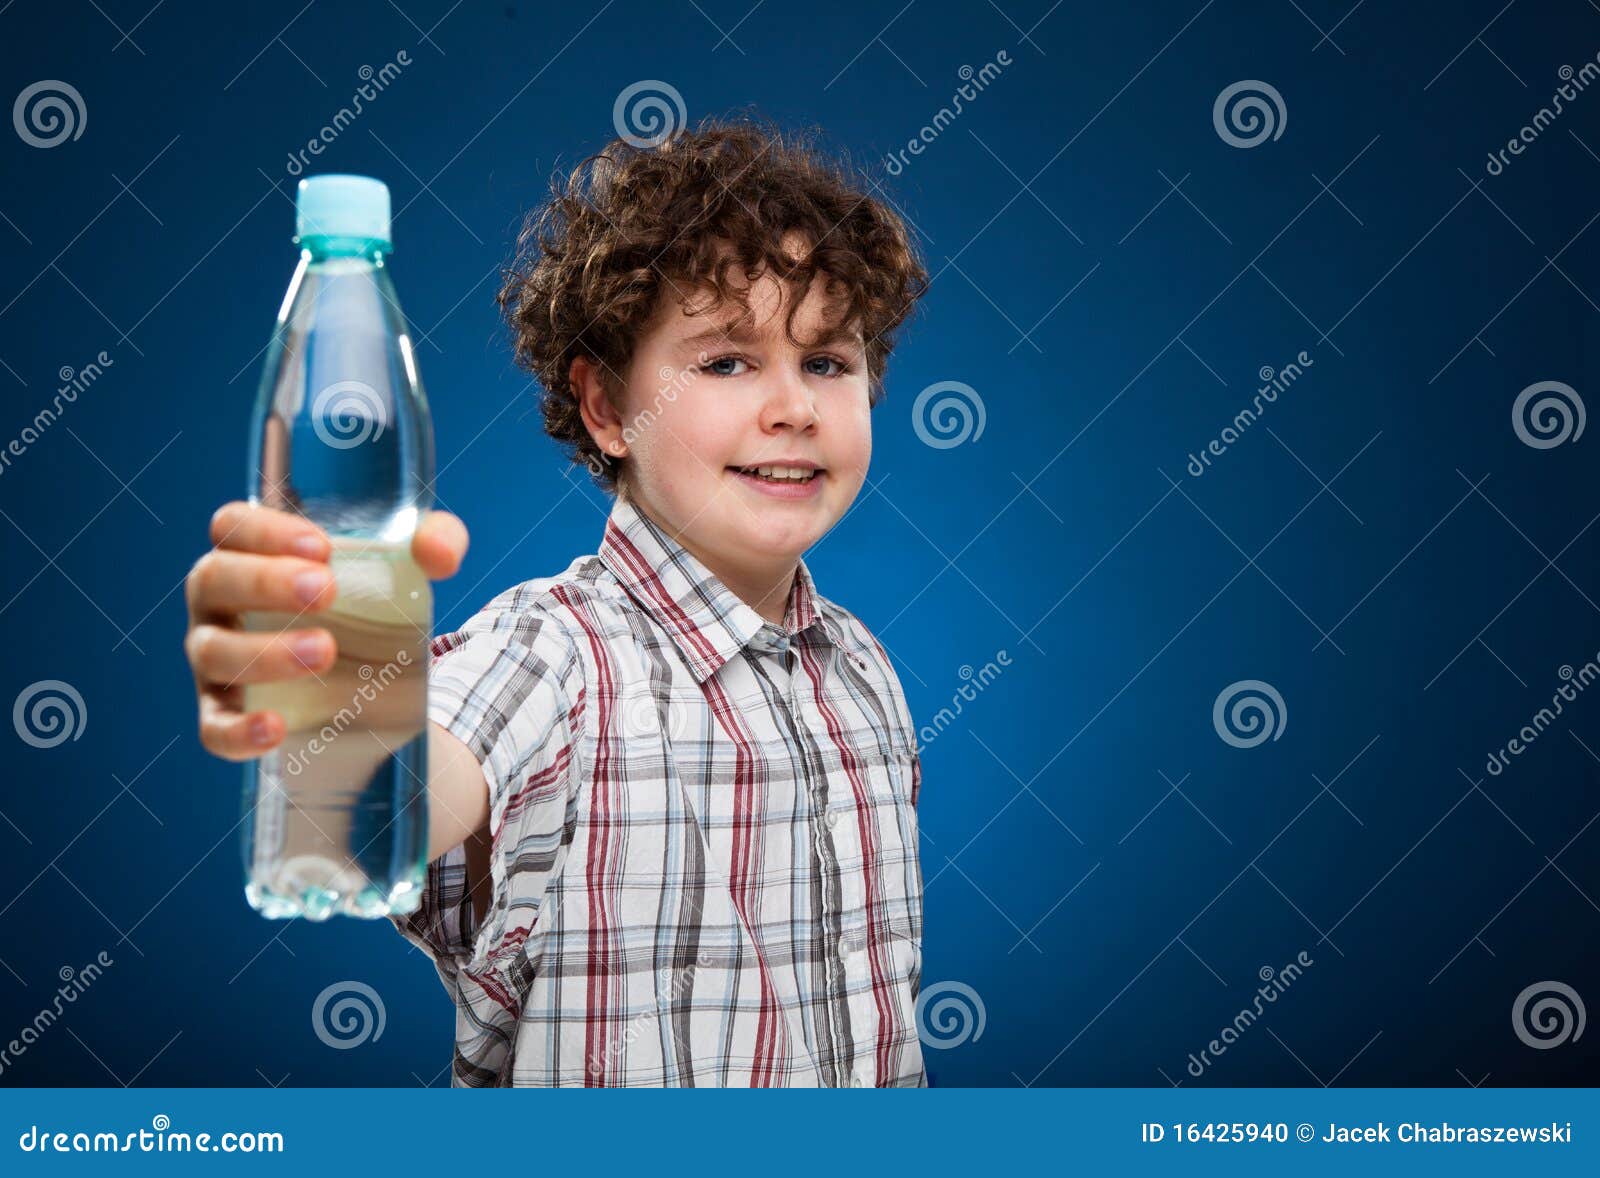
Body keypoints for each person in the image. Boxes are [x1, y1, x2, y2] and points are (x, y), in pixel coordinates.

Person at [183, 118, 930, 1086]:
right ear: (608, 408)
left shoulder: (863, 668)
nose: (793, 404)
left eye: (827, 360)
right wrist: (308, 682)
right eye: (725, 360)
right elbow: (370, 815)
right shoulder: (554, 658)